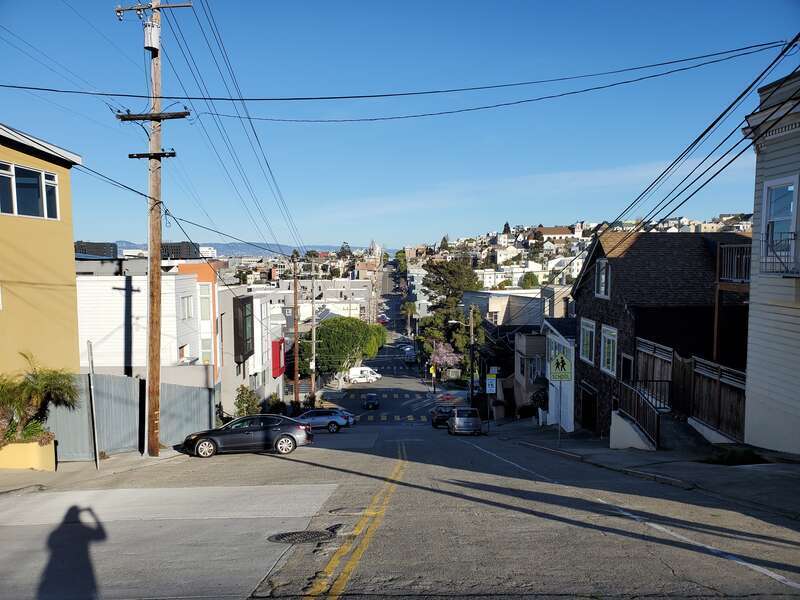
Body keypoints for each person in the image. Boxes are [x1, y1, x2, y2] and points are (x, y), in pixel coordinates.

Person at [38, 505, 107, 599]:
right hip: (81, 570)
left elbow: (50, 548)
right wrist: (93, 514)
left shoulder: (55, 533)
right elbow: (102, 535)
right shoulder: (82, 530)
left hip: (60, 571)